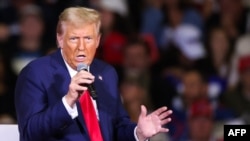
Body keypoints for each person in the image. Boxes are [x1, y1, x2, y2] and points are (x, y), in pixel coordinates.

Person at [14, 6, 173, 141]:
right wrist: (68, 101)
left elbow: (116, 127)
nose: (81, 47)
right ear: (60, 39)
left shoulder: (107, 72)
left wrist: (138, 132)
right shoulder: (36, 73)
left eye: (88, 39)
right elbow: (29, 133)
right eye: (74, 38)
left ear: (98, 41)